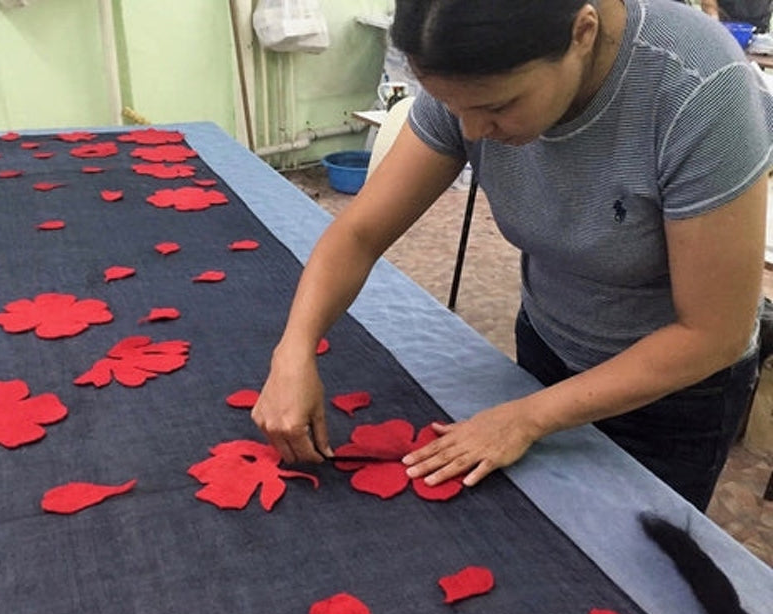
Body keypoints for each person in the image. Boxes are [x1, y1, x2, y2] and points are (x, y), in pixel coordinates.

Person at [252, 0, 772, 512]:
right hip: (549, 342)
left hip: (671, 394)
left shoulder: (700, 88)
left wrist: (527, 418)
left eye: (498, 108)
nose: (475, 133)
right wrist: (294, 349)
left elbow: (712, 333)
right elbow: (358, 233)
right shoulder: (468, 76)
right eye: (457, 110)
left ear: (583, 33)